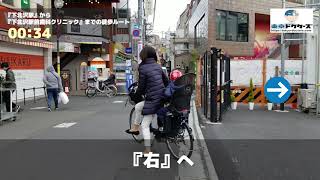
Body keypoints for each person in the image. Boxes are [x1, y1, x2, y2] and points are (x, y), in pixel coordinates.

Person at [125, 46, 169, 154]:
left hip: (153, 100)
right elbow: (166, 82)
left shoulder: (143, 68)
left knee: (144, 125)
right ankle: (135, 128)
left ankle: (148, 150)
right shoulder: (158, 66)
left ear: (143, 55)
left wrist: (136, 95)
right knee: (138, 107)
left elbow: (141, 87)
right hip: (161, 98)